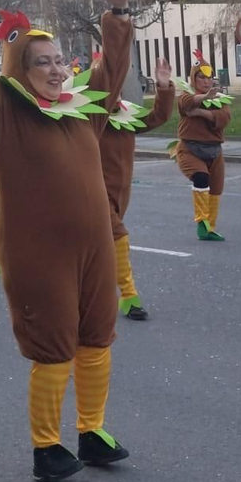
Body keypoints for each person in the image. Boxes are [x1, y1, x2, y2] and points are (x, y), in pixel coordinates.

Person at [0, 0, 134, 482]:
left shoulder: (83, 112)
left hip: (94, 249)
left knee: (97, 338)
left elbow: (111, 74)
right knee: (53, 346)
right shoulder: (3, 115)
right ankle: (46, 446)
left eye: (60, 61)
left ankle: (92, 431)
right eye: (43, 63)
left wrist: (118, 15)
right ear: (18, 70)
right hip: (38, 255)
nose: (57, 71)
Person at [102, 55, 176, 316]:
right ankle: (129, 297)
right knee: (117, 236)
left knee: (100, 248)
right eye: (106, 84)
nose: (114, 89)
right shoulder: (85, 117)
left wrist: (163, 86)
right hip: (92, 195)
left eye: (117, 84)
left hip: (120, 194)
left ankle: (87, 293)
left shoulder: (124, 114)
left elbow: (156, 117)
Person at [174, 51, 233, 240]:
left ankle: (210, 228)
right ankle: (201, 222)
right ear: (193, 78)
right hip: (190, 149)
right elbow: (185, 104)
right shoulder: (186, 94)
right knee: (201, 178)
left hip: (214, 150)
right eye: (201, 77)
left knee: (216, 190)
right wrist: (204, 98)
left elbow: (224, 118)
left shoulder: (220, 98)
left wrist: (201, 113)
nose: (206, 81)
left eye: (209, 77)